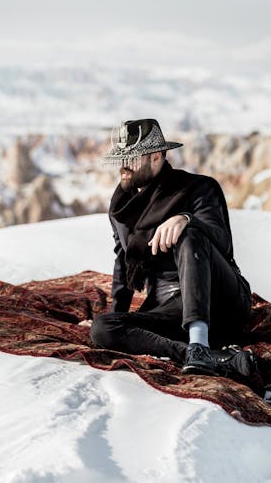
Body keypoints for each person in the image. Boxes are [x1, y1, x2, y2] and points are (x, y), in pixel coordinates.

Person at [90, 118, 256, 377]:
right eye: (121, 158)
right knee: (102, 328)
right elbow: (123, 259)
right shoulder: (122, 206)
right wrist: (118, 317)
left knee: (189, 235)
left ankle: (200, 345)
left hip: (221, 299)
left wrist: (187, 219)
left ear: (156, 157)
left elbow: (222, 241)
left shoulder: (198, 188)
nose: (124, 166)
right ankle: (205, 355)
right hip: (170, 307)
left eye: (132, 158)